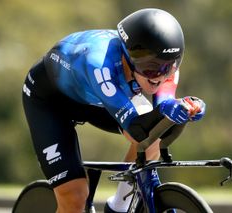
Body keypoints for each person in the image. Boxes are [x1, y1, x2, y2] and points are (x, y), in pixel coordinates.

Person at [22, 8, 206, 213]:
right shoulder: (99, 63)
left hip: (95, 97)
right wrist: (168, 112)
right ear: (128, 57)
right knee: (74, 198)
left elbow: (163, 106)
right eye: (150, 69)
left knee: (155, 134)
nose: (159, 77)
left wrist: (183, 108)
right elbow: (136, 129)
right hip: (50, 102)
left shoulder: (165, 65)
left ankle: (119, 207)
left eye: (168, 68)